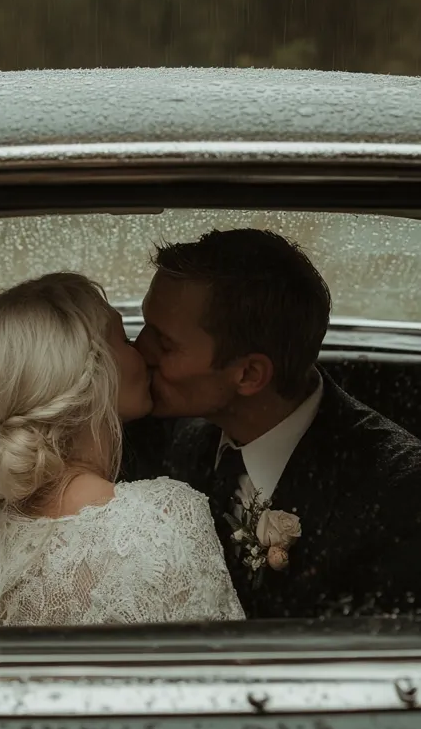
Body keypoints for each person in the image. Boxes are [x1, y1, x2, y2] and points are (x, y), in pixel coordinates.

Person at [0, 273, 243, 630]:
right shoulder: (162, 518)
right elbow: (225, 675)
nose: (142, 352)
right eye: (124, 341)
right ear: (94, 376)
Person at [135, 228, 421, 619]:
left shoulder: (399, 494)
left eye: (164, 343)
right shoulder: (167, 430)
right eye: (144, 324)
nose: (139, 349)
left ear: (250, 375)